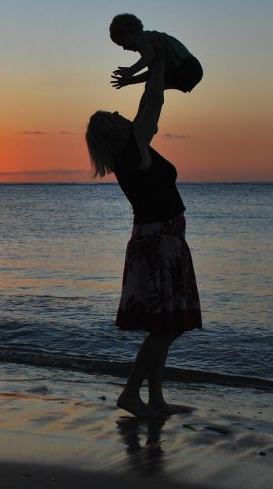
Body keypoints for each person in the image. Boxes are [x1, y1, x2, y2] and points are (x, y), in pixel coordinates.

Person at [86, 56, 202, 418]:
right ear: (114, 130)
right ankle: (131, 394)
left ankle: (156, 399)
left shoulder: (131, 151)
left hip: (159, 241)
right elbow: (153, 104)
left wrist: (153, 73)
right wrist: (159, 73)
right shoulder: (133, 151)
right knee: (165, 330)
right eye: (117, 117)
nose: (124, 117)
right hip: (158, 246)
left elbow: (147, 105)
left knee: (164, 326)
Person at [109, 13, 203, 94]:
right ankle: (144, 114)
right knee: (152, 84)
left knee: (152, 87)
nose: (124, 48)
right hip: (190, 69)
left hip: (187, 67)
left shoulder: (143, 39)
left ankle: (146, 114)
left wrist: (131, 71)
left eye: (123, 42)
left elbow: (149, 57)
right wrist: (130, 81)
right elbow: (153, 72)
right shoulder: (150, 44)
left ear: (132, 31)